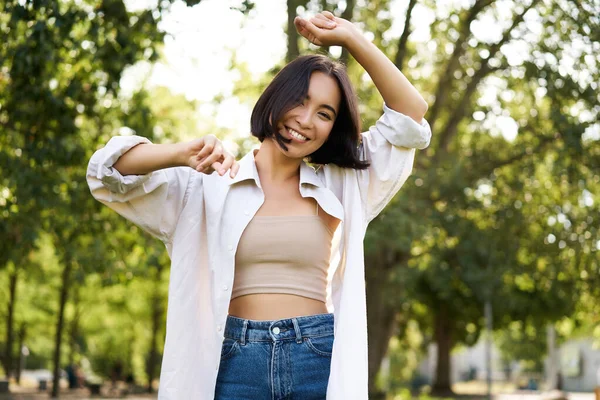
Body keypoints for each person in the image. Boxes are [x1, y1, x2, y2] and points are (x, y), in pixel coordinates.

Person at [86, 10, 430, 400]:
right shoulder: (208, 185)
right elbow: (107, 172)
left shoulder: (343, 183)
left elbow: (410, 118)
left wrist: (351, 38)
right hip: (234, 361)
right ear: (274, 100)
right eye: (299, 102)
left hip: (316, 357)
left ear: (333, 128)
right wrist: (181, 153)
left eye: (324, 113)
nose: (305, 120)